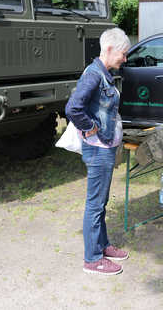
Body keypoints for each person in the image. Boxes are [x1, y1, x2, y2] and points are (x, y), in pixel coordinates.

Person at [65, 27, 131, 276]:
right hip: (97, 149)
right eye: (123, 54)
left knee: (101, 202)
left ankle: (102, 246)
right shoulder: (94, 75)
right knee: (95, 204)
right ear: (110, 48)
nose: (124, 59)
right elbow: (73, 109)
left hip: (104, 147)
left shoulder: (103, 73)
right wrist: (91, 128)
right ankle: (92, 259)